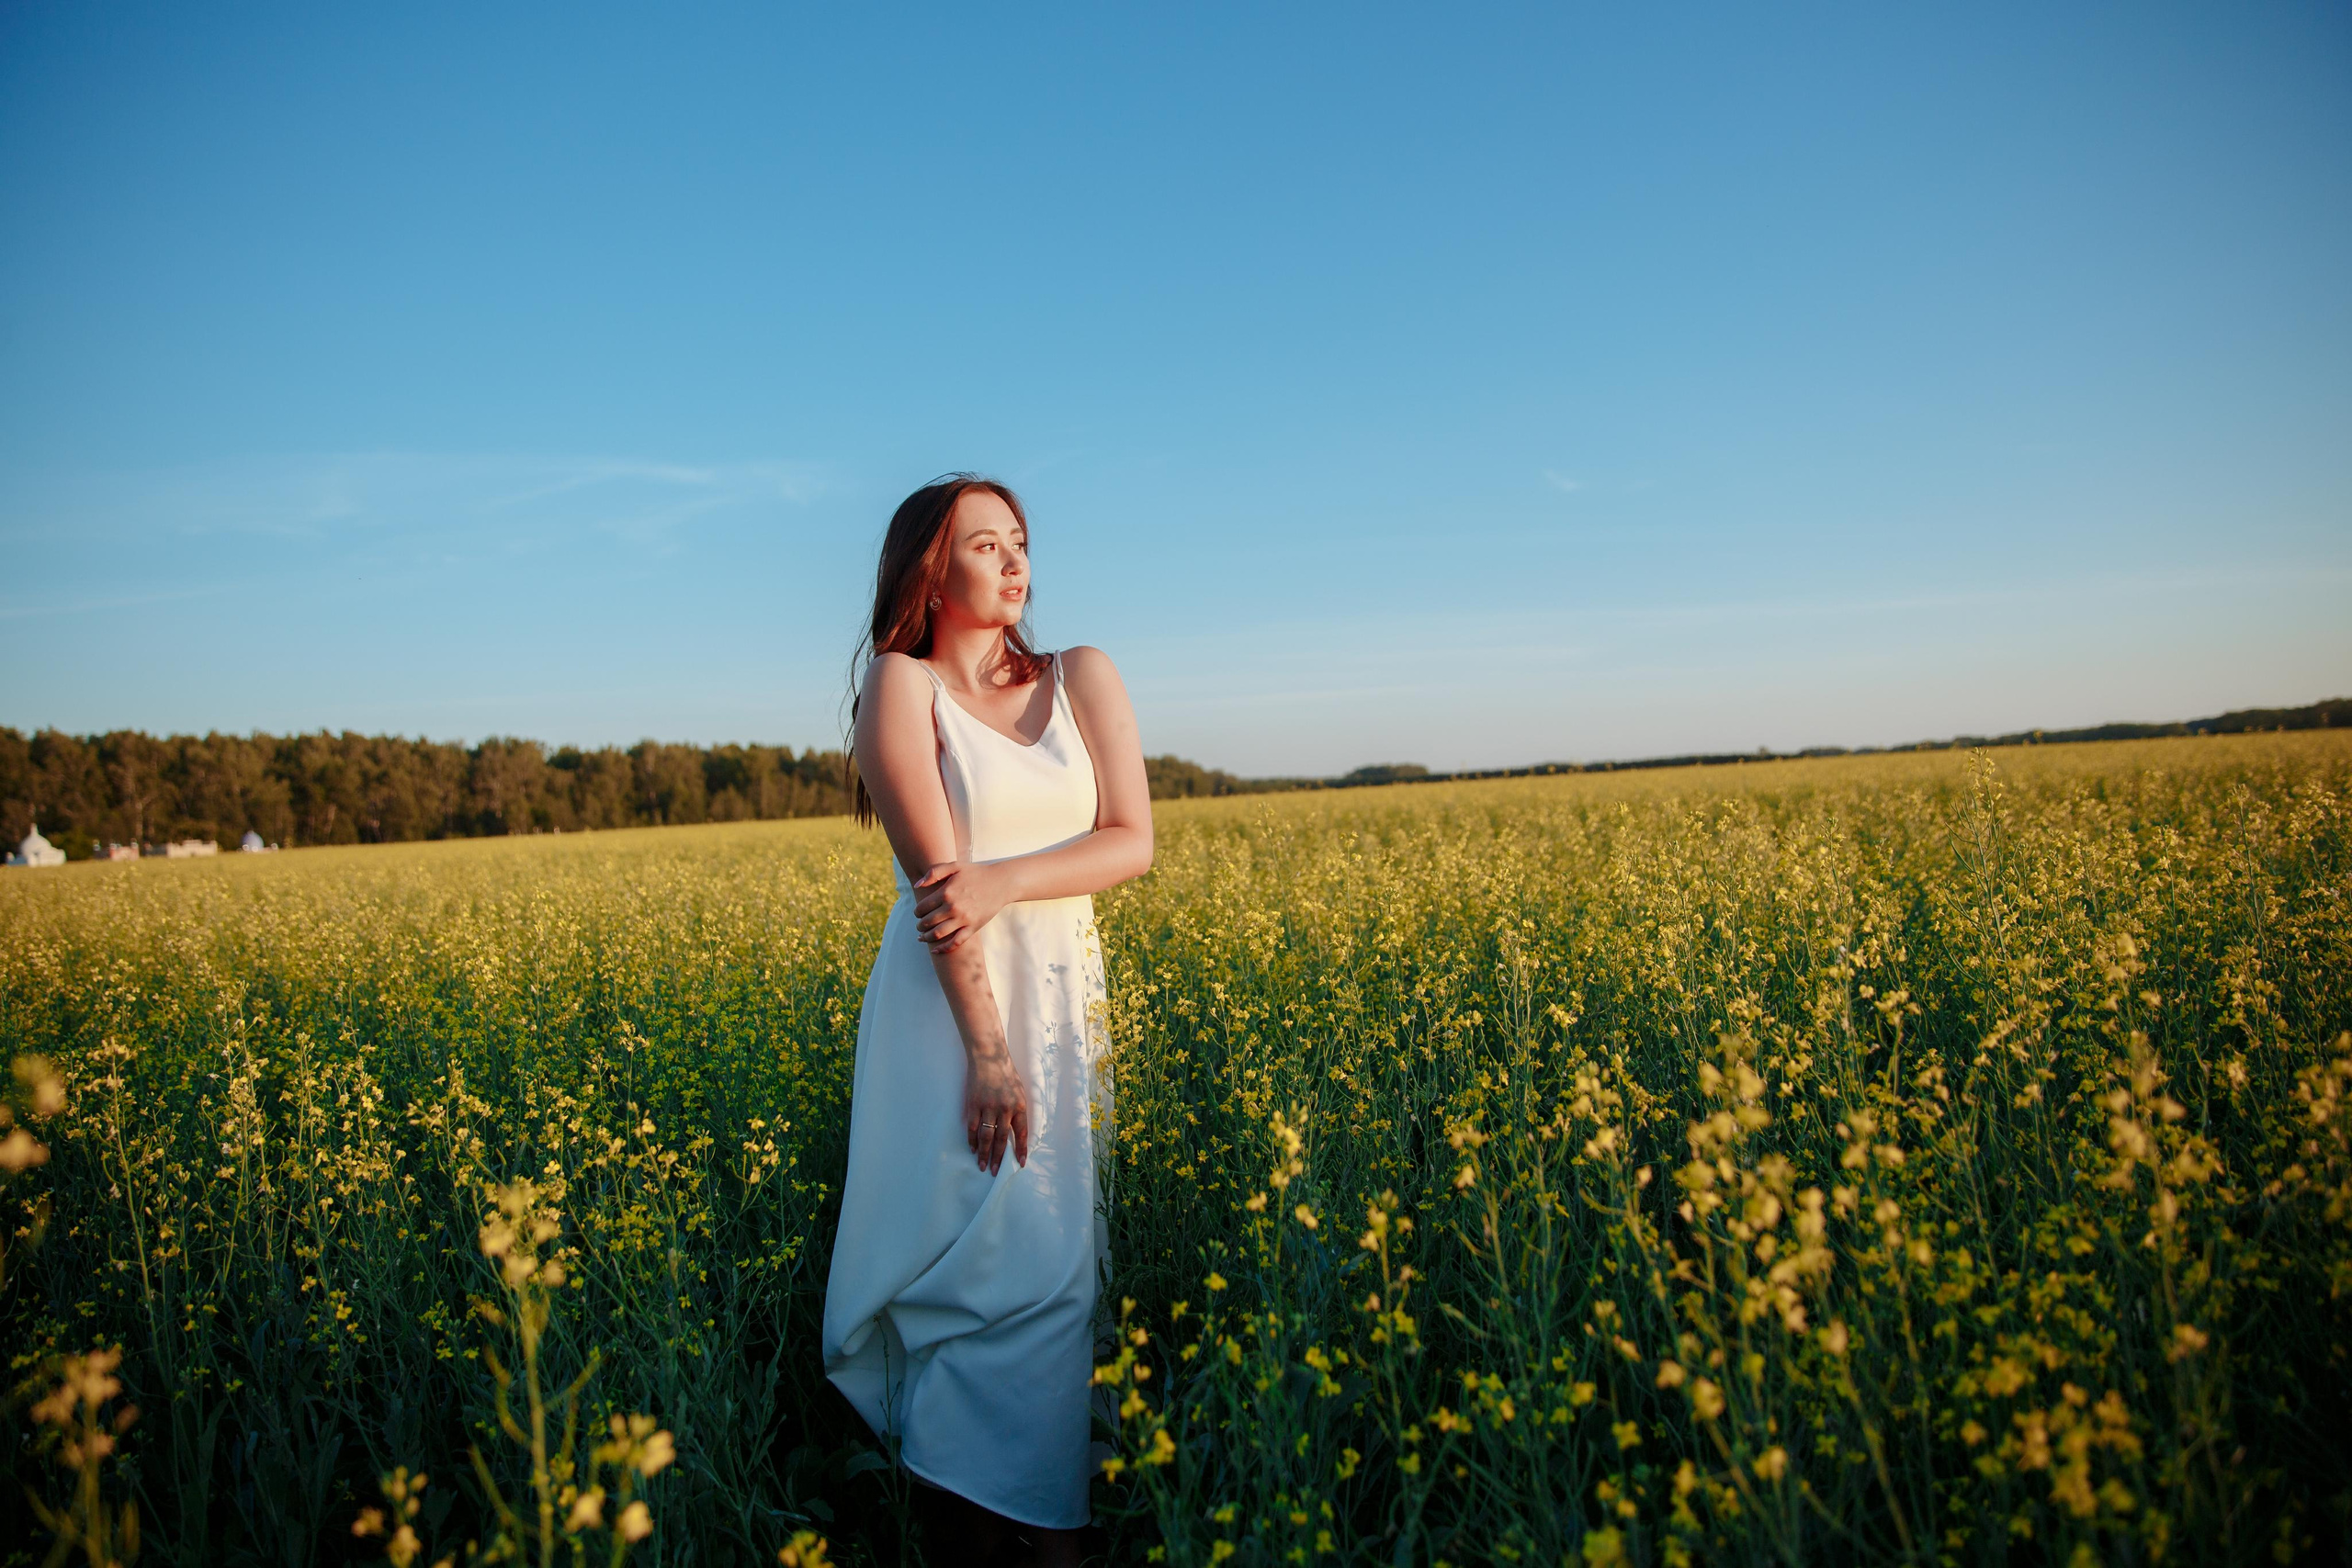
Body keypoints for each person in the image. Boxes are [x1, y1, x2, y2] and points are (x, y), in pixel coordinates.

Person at [822, 474, 1153, 1563]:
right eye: (983, 545)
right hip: (950, 1021)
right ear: (931, 567)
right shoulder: (898, 689)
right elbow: (937, 895)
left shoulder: (1082, 675)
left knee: (1054, 1261)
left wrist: (1005, 880)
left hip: (1058, 998)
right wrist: (989, 1057)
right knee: (970, 1260)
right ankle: (948, 1513)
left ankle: (1045, 1517)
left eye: (1019, 542)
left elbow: (1129, 841)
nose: (1014, 562)